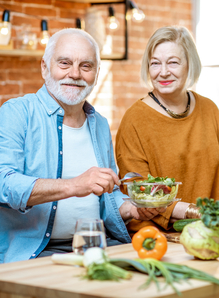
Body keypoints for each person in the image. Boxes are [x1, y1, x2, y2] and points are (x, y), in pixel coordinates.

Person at [0, 28, 164, 264]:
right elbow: (3, 183)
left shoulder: (99, 124)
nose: (75, 74)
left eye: (86, 66)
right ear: (45, 68)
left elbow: (108, 197)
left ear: (96, 74)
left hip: (96, 245)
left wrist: (132, 210)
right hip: (34, 253)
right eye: (64, 63)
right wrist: (74, 185)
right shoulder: (16, 113)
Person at [116, 26, 219, 236]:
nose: (163, 72)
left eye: (173, 62)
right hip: (156, 236)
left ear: (189, 65)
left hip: (210, 231)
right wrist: (196, 212)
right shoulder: (134, 119)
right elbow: (139, 193)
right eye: (155, 63)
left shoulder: (210, 109)